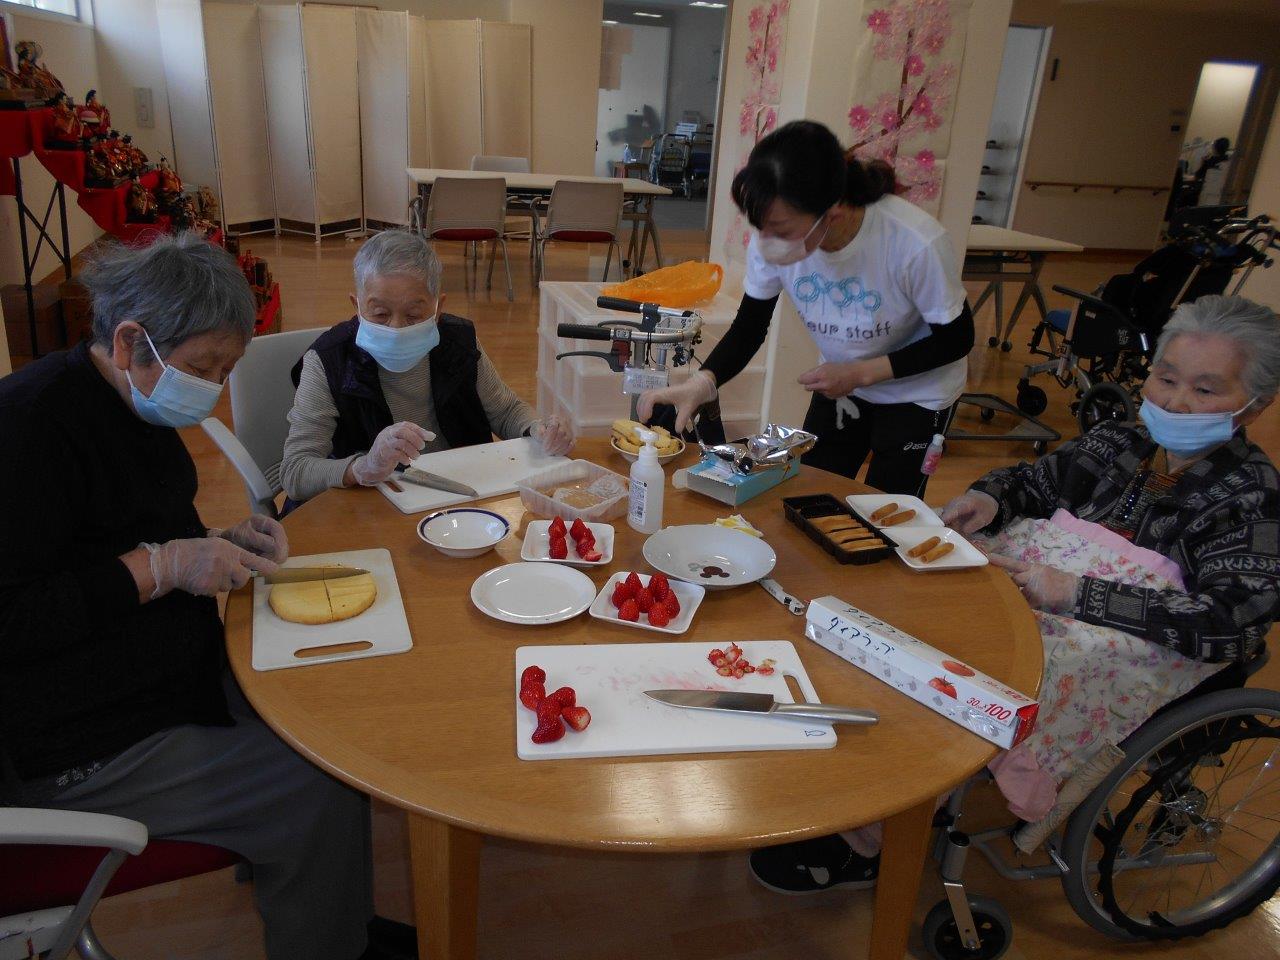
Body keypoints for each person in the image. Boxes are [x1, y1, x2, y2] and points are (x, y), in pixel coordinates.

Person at [747, 294, 1280, 895]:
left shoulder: (1250, 498)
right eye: (1165, 378)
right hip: (1034, 588)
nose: (1175, 402)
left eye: (1205, 392)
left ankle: (875, 832)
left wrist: (1081, 593)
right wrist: (989, 500)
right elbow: (1026, 482)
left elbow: (1234, 623)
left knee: (978, 672)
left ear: (1255, 405)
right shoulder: (1118, 443)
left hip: (1129, 641)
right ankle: (859, 773)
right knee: (912, 614)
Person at [0, 233, 412, 960]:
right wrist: (162, 567)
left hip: (152, 673)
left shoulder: (132, 402)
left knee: (326, 701)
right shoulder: (27, 427)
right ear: (131, 342)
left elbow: (131, 534)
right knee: (318, 778)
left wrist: (220, 541)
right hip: (68, 739)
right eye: (201, 368)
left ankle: (317, 899)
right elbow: (19, 614)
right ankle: (331, 941)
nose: (214, 389)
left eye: (226, 370)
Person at [638, 119, 973, 495]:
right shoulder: (775, 237)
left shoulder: (913, 244)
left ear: (834, 213)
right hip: (842, 387)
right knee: (813, 495)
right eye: (762, 226)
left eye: (781, 228)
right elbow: (750, 326)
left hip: (918, 394)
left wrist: (860, 373)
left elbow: (956, 339)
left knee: (889, 511)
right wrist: (704, 382)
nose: (768, 243)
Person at [282, 230, 573, 502]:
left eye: (414, 315)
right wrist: (363, 467)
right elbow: (295, 471)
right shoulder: (328, 361)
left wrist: (539, 429)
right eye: (380, 313)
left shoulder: (457, 343)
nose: (396, 328)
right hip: (375, 502)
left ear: (437, 310)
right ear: (356, 307)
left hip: (459, 493)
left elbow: (506, 411)